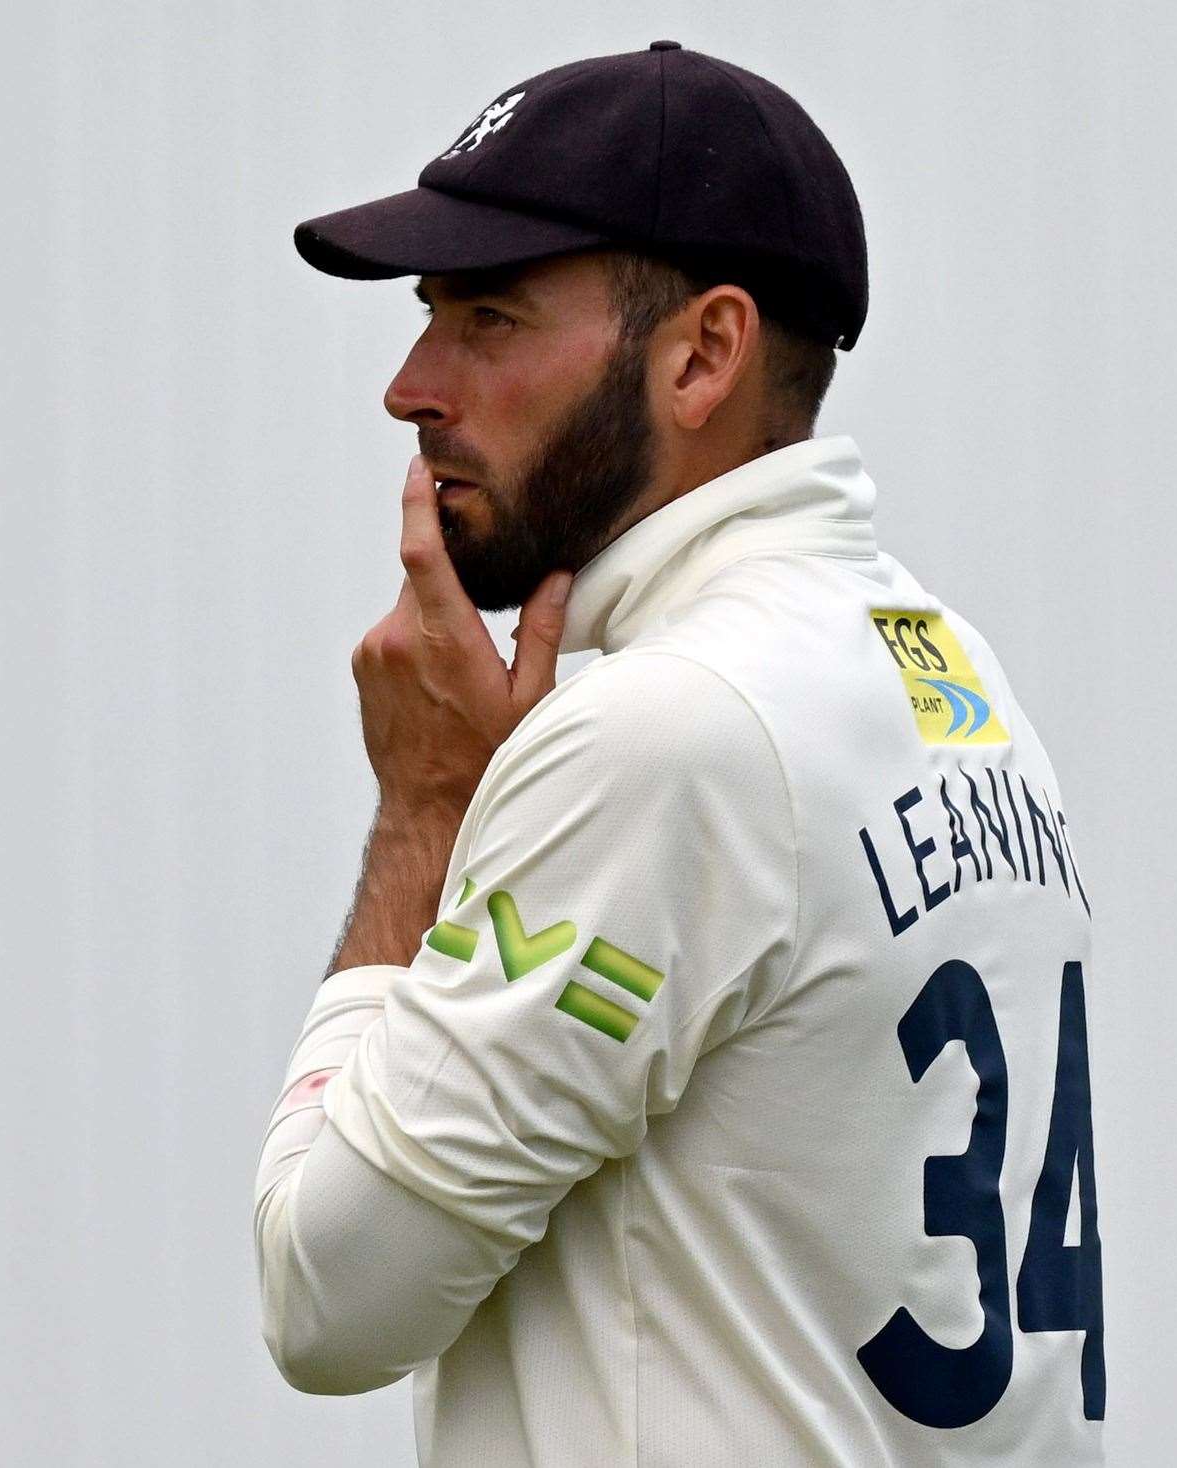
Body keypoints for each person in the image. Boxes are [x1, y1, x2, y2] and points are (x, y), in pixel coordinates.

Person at [253, 40, 1105, 1466]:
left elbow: (326, 1298)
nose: (410, 384)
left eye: (491, 316)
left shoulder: (665, 733)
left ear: (703, 354)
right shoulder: (942, 661)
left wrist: (425, 814)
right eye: (427, 314)